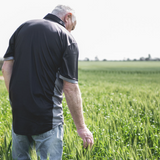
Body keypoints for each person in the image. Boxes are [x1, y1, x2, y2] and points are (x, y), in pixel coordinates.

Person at [2, 5, 94, 160]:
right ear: (68, 17)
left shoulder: (22, 28)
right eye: (73, 26)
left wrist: (15, 101)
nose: (71, 30)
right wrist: (81, 127)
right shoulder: (66, 37)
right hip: (48, 119)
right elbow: (70, 87)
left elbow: (6, 68)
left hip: (20, 116)